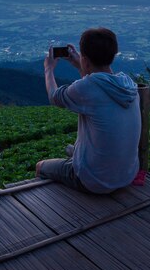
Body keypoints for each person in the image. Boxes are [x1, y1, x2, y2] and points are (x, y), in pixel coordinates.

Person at [36, 27, 141, 194]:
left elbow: (54, 97)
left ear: (86, 60)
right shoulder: (128, 86)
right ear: (112, 55)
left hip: (94, 181)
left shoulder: (87, 88)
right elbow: (98, 84)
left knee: (40, 166)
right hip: (127, 175)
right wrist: (79, 62)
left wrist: (48, 68)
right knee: (72, 149)